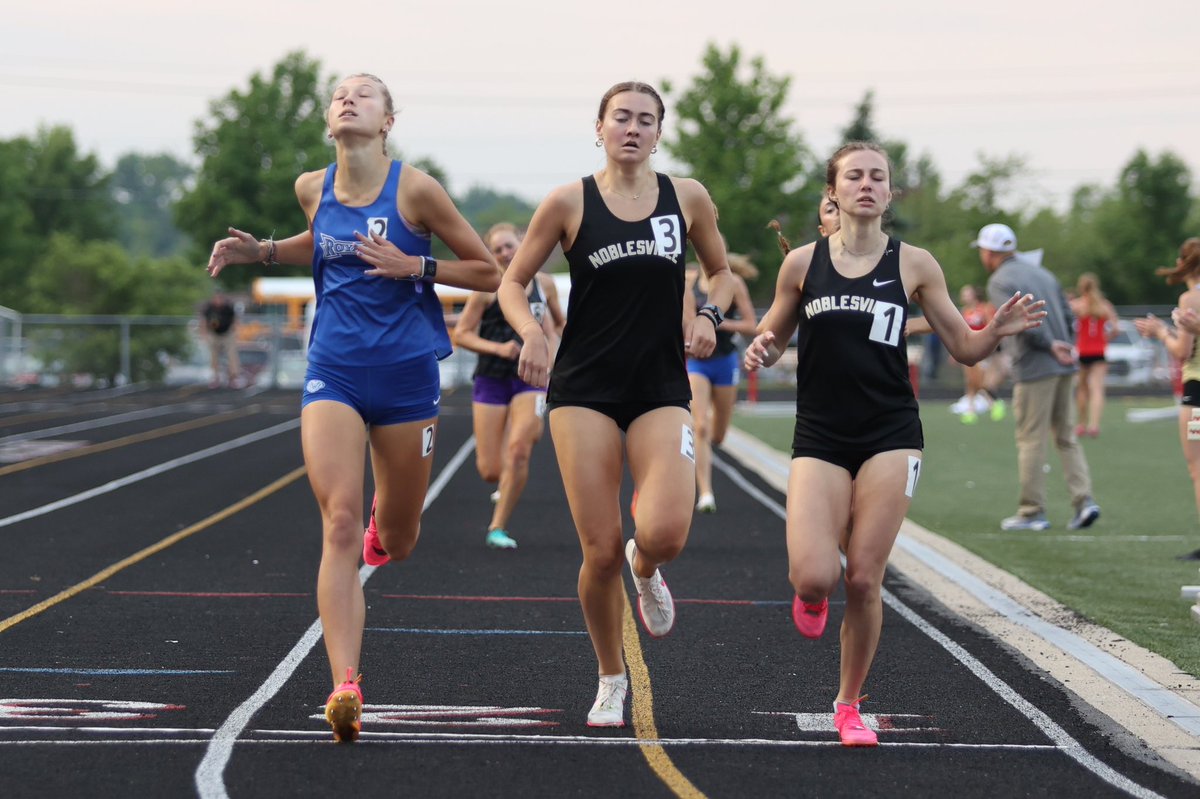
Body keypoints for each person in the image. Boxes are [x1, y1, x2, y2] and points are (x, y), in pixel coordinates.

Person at [206, 73, 501, 742]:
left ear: (388, 120)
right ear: (328, 121)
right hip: (333, 370)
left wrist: (414, 267)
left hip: (405, 379)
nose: (349, 98)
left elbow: (487, 271)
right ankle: (346, 683)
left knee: (397, 538)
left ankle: (383, 527)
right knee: (337, 522)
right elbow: (325, 242)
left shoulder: (416, 190)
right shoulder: (312, 187)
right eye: (340, 93)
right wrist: (268, 250)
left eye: (365, 92)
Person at [744, 142, 1044, 747]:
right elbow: (774, 334)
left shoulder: (916, 264)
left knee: (864, 578)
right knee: (814, 575)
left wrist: (996, 331)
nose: (866, 185)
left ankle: (849, 705)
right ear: (833, 190)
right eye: (854, 175)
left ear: (889, 192)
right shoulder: (802, 264)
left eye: (878, 177)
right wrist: (763, 349)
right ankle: (811, 593)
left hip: (890, 433)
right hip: (822, 434)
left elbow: (963, 346)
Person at [497, 80, 734, 728]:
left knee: (664, 531)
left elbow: (722, 271)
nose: (632, 128)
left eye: (645, 120)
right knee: (598, 549)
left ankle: (647, 565)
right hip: (584, 389)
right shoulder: (569, 200)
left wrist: (710, 314)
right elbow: (513, 283)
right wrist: (532, 333)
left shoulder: (686, 198)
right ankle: (610, 676)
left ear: (659, 133)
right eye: (621, 117)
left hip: (660, 384)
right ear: (598, 128)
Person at [974, 222, 1101, 532]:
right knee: (1066, 437)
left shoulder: (1000, 280)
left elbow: (1022, 321)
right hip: (1064, 366)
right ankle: (1084, 502)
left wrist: (1048, 344)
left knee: (1031, 438)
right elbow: (1070, 315)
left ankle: (1032, 511)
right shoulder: (1044, 274)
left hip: (1035, 367)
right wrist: (1064, 345)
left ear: (990, 252)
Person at [453, 222, 564, 549]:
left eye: (509, 245)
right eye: (498, 249)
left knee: (518, 450)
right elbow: (461, 333)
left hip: (530, 379)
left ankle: (497, 527)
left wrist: (554, 358)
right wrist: (498, 348)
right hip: (491, 378)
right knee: (490, 469)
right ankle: (502, 482)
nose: (505, 253)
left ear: (522, 243)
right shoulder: (486, 288)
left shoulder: (544, 284)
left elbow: (557, 324)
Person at [1135, 238, 1200, 560]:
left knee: (1198, 468)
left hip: (1197, 395)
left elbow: (1182, 351)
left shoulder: (1191, 298)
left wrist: (1161, 333)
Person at [685, 252, 758, 513]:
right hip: (697, 361)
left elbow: (751, 325)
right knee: (700, 426)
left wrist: (715, 321)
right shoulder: (689, 282)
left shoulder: (734, 283)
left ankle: (712, 441)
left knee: (717, 434)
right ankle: (705, 493)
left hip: (725, 361)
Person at [1070, 273, 1119, 437]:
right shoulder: (1104, 306)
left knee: (1082, 388)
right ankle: (1094, 425)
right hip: (1099, 351)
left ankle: (1081, 424)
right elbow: (1116, 328)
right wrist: (1106, 338)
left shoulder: (1077, 305)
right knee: (1097, 388)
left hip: (1083, 351)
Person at [957, 284, 1005, 424]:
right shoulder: (965, 311)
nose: (964, 296)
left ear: (974, 294)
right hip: (968, 349)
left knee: (980, 381)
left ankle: (993, 404)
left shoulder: (984, 308)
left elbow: (992, 326)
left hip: (982, 349)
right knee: (971, 381)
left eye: (967, 293)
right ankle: (972, 411)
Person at [201, 291, 241, 388]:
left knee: (232, 355)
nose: (218, 301)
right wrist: (204, 334)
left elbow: (235, 320)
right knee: (214, 356)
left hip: (227, 334)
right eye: (216, 298)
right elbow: (203, 322)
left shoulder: (228, 308)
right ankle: (215, 377)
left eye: (220, 298)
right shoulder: (209, 308)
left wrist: (236, 332)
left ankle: (233, 377)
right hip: (214, 334)